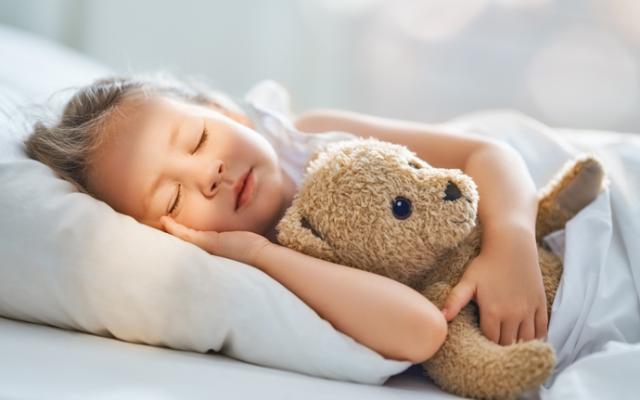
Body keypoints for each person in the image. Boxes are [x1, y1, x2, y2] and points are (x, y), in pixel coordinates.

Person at [23, 73, 547, 365]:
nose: (210, 173)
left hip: (551, 236)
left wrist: (511, 245)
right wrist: (259, 254)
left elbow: (488, 155)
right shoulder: (271, 272)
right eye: (173, 199)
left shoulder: (315, 136)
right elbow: (421, 330)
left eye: (199, 139)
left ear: (227, 114)